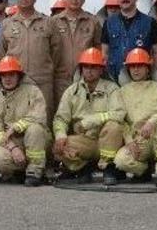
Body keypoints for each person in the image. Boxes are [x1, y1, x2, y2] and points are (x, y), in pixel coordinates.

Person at [53, 48, 125, 185]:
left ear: (101, 69)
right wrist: (60, 135)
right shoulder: (72, 91)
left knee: (114, 126)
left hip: (107, 140)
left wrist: (91, 121)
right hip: (85, 140)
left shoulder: (111, 88)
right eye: (86, 66)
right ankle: (82, 169)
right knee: (58, 148)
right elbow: (60, 118)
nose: (89, 70)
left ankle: (109, 168)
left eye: (94, 67)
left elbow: (119, 113)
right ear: (81, 69)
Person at [0, 0, 63, 123]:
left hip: (42, 80)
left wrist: (47, 67)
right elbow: (2, 52)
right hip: (17, 80)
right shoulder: (7, 24)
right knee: (17, 117)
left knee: (44, 116)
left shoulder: (48, 22)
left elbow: (56, 51)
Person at [113, 48, 157, 187]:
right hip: (138, 140)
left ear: (148, 68)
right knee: (120, 161)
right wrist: (129, 141)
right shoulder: (122, 92)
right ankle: (144, 170)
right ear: (128, 69)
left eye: (140, 66)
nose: (136, 70)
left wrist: (153, 121)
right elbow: (120, 120)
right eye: (132, 66)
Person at [0, 56, 48, 186]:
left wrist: (16, 127)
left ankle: (35, 170)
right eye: (4, 75)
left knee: (35, 129)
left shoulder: (33, 91)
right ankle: (23, 170)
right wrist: (13, 148)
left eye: (12, 75)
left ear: (19, 76)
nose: (7, 79)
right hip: (11, 141)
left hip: (36, 138)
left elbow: (39, 115)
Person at [51, 0, 102, 107]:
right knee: (61, 112)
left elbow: (98, 48)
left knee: (83, 111)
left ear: (83, 0)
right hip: (60, 77)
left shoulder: (93, 21)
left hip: (85, 78)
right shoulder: (54, 21)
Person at [101, 0, 157, 83]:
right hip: (113, 79)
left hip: (140, 80)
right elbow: (105, 53)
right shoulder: (108, 23)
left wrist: (156, 75)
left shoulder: (150, 22)